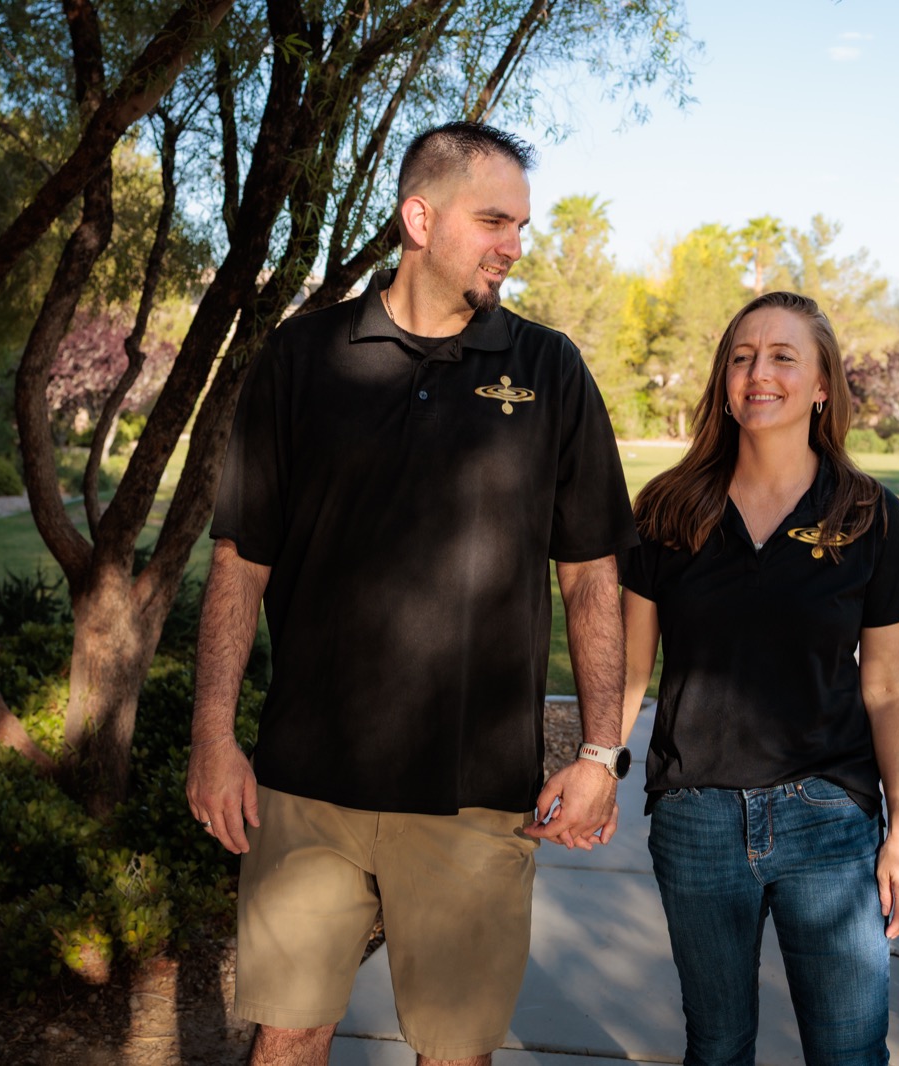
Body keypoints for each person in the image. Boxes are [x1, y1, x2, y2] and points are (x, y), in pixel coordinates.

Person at [186, 121, 638, 1066]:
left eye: (521, 223)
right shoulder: (304, 359)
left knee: (455, 1050)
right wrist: (213, 736)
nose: (514, 244)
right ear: (419, 217)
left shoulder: (548, 369)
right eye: (494, 220)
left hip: (474, 795)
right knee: (289, 1034)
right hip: (307, 784)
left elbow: (593, 570)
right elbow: (241, 560)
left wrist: (601, 750)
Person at [619, 291, 899, 1066]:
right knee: (719, 1047)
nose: (758, 373)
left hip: (828, 816)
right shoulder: (667, 509)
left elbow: (889, 687)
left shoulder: (870, 515)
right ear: (724, 381)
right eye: (741, 356)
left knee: (850, 1050)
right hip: (697, 817)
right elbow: (629, 668)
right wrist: (600, 762)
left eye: (783, 357)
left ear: (823, 385)